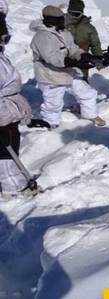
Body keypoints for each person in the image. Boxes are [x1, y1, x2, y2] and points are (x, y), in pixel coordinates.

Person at [30, 5, 106, 129]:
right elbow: (52, 58)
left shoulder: (63, 32)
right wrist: (75, 63)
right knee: (53, 103)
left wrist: (84, 56)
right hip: (50, 74)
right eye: (60, 19)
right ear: (51, 20)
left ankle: (90, 115)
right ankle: (51, 124)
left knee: (87, 92)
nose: (63, 20)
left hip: (67, 71)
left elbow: (72, 48)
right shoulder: (42, 36)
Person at [0, 13, 48, 198]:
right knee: (5, 150)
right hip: (3, 114)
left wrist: (23, 116)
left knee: (10, 144)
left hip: (7, 110)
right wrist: (3, 121)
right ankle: (13, 189)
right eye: (4, 38)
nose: (5, 42)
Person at [66, 0, 102, 82]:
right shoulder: (60, 23)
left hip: (82, 61)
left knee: (81, 85)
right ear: (68, 11)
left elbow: (95, 45)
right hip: (63, 61)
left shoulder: (89, 28)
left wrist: (98, 58)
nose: (74, 17)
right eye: (71, 13)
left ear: (82, 13)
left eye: (77, 14)